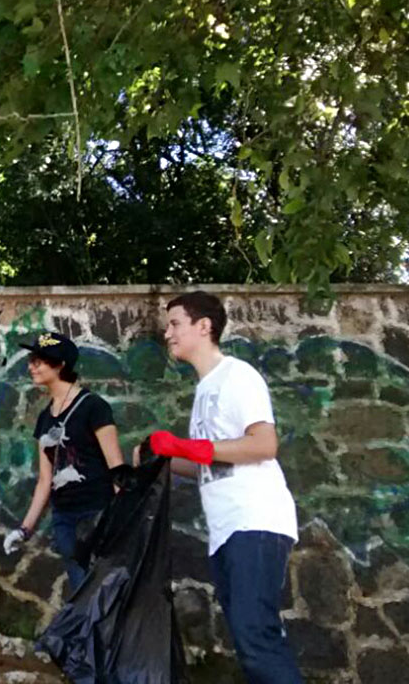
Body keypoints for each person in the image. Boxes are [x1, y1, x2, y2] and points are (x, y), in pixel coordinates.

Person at [137, 291, 301, 684]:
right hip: (227, 529)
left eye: (175, 323)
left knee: (256, 638)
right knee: (250, 640)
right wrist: (159, 457)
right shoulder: (204, 391)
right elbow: (209, 467)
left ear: (204, 326)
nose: (168, 333)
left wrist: (191, 447)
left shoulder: (237, 376)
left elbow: (264, 444)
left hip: (256, 521)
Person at [2, 331, 123, 594]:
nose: (32, 365)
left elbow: (116, 466)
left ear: (61, 365)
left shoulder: (93, 407)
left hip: (97, 511)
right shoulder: (45, 418)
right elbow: (45, 480)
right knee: (81, 592)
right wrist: (24, 530)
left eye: (40, 360)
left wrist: (126, 519)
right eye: (32, 359)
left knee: (105, 592)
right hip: (64, 518)